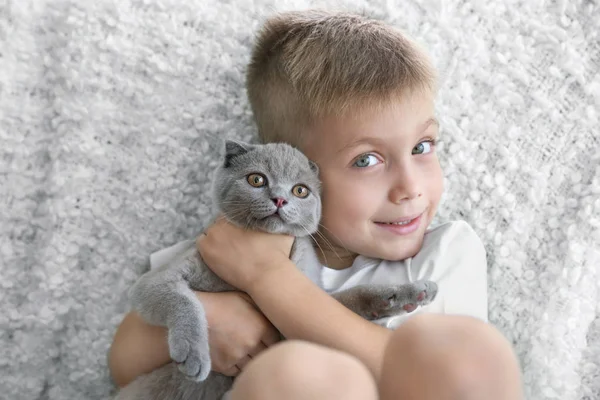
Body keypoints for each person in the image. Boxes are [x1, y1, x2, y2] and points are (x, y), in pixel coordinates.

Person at [109, 10, 523, 399]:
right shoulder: (247, 242)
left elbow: (427, 382)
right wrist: (213, 314)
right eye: (366, 160)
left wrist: (267, 279)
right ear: (296, 170)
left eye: (422, 146)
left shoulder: (447, 251)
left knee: (474, 351)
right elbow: (124, 364)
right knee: (293, 376)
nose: (409, 188)